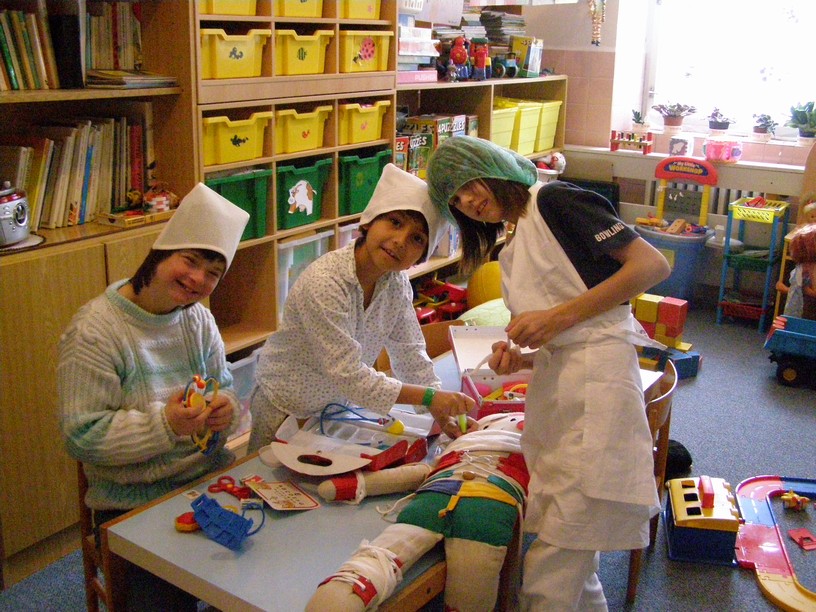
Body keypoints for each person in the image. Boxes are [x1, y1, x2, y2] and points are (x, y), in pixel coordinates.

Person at [426, 136, 672, 611]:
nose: (468, 203)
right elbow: (569, 338)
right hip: (564, 390)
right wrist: (524, 358)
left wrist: (557, 318)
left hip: (598, 391)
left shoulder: (555, 201)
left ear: (492, 167)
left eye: (468, 185)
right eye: (455, 201)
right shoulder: (516, 242)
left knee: (550, 571)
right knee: (576, 561)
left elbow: (651, 265)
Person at [58, 183, 250, 611]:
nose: (198, 279)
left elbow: (224, 387)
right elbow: (81, 436)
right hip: (132, 504)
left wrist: (226, 410)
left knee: (268, 577)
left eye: (213, 273)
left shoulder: (198, 320)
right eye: (190, 260)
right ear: (160, 253)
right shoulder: (95, 331)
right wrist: (165, 424)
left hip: (207, 481)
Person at [248, 164, 475, 454]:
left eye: (417, 239)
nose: (400, 241)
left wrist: (440, 409)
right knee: (267, 473)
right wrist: (430, 397)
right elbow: (348, 374)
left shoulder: (396, 285)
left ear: (421, 256)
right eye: (395, 222)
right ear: (369, 222)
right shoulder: (326, 282)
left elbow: (410, 353)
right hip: (284, 407)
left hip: (335, 408)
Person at [306, 412, 528, 612]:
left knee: (384, 553)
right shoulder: (528, 458)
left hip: (439, 496)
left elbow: (411, 475)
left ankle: (350, 585)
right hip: (488, 506)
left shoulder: (453, 457)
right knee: (473, 585)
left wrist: (352, 485)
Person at [776, 222, 816, 320]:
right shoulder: (800, 268)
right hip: (799, 314)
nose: (805, 266)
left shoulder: (811, 268)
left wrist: (805, 290)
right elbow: (795, 291)